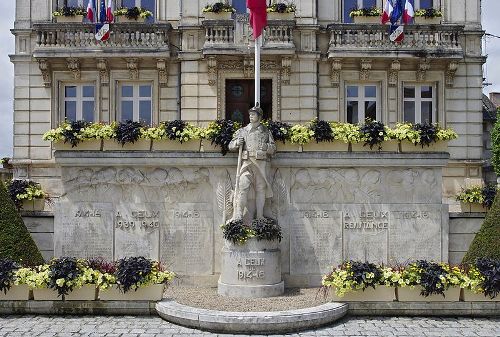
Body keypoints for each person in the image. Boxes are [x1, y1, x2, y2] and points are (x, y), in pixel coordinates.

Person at [229, 106, 276, 221]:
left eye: (253, 114)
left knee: (261, 189)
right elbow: (230, 145)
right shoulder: (242, 131)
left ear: (259, 117)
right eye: (250, 114)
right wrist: (236, 143)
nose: (250, 116)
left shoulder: (266, 131)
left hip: (261, 164)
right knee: (242, 186)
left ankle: (259, 215)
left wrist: (267, 147)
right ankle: (238, 214)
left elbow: (273, 149)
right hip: (247, 163)